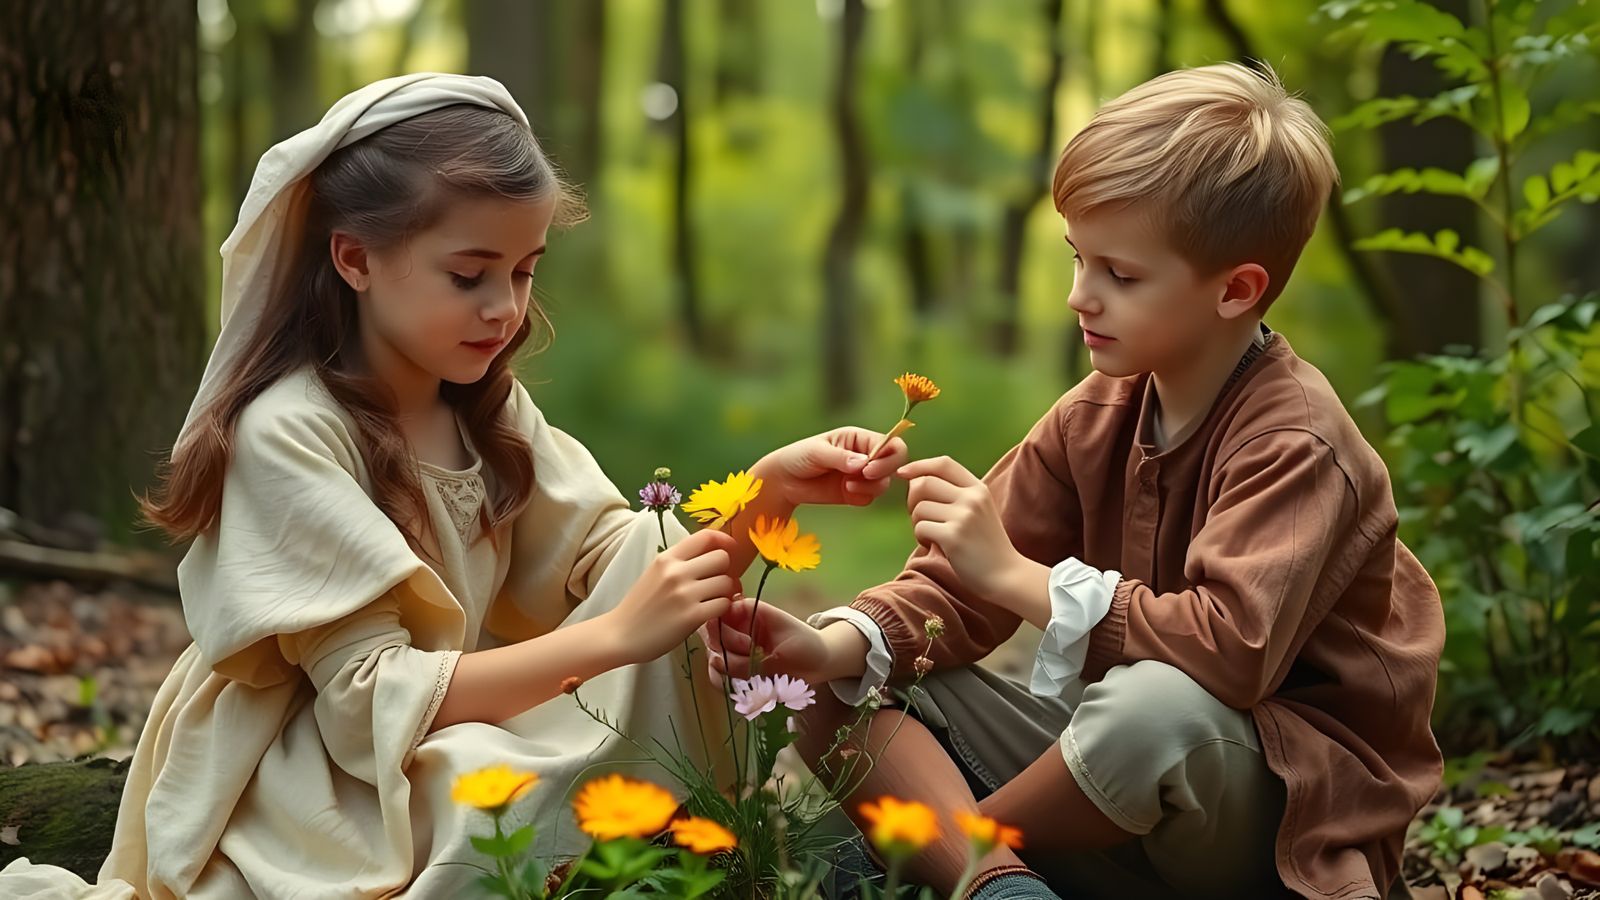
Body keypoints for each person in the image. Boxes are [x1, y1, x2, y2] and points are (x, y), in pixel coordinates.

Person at [0, 73, 907, 899]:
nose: (504, 308)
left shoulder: (485, 406)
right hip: (325, 769)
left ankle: (654, 842)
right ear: (354, 260)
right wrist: (617, 637)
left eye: (524, 272)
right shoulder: (291, 430)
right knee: (491, 803)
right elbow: (364, 700)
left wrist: (765, 495)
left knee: (593, 689)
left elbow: (614, 555)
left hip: (451, 721)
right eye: (469, 275)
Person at [710, 62, 1445, 900]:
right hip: (1111, 812)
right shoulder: (1095, 413)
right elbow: (956, 594)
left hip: (1271, 824)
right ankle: (999, 887)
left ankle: (937, 859)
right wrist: (826, 649)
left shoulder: (1295, 440)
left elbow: (1230, 655)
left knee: (1151, 710)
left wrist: (1015, 576)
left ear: (1236, 290)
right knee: (831, 684)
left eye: (1119, 275)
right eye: (1076, 259)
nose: (1078, 297)